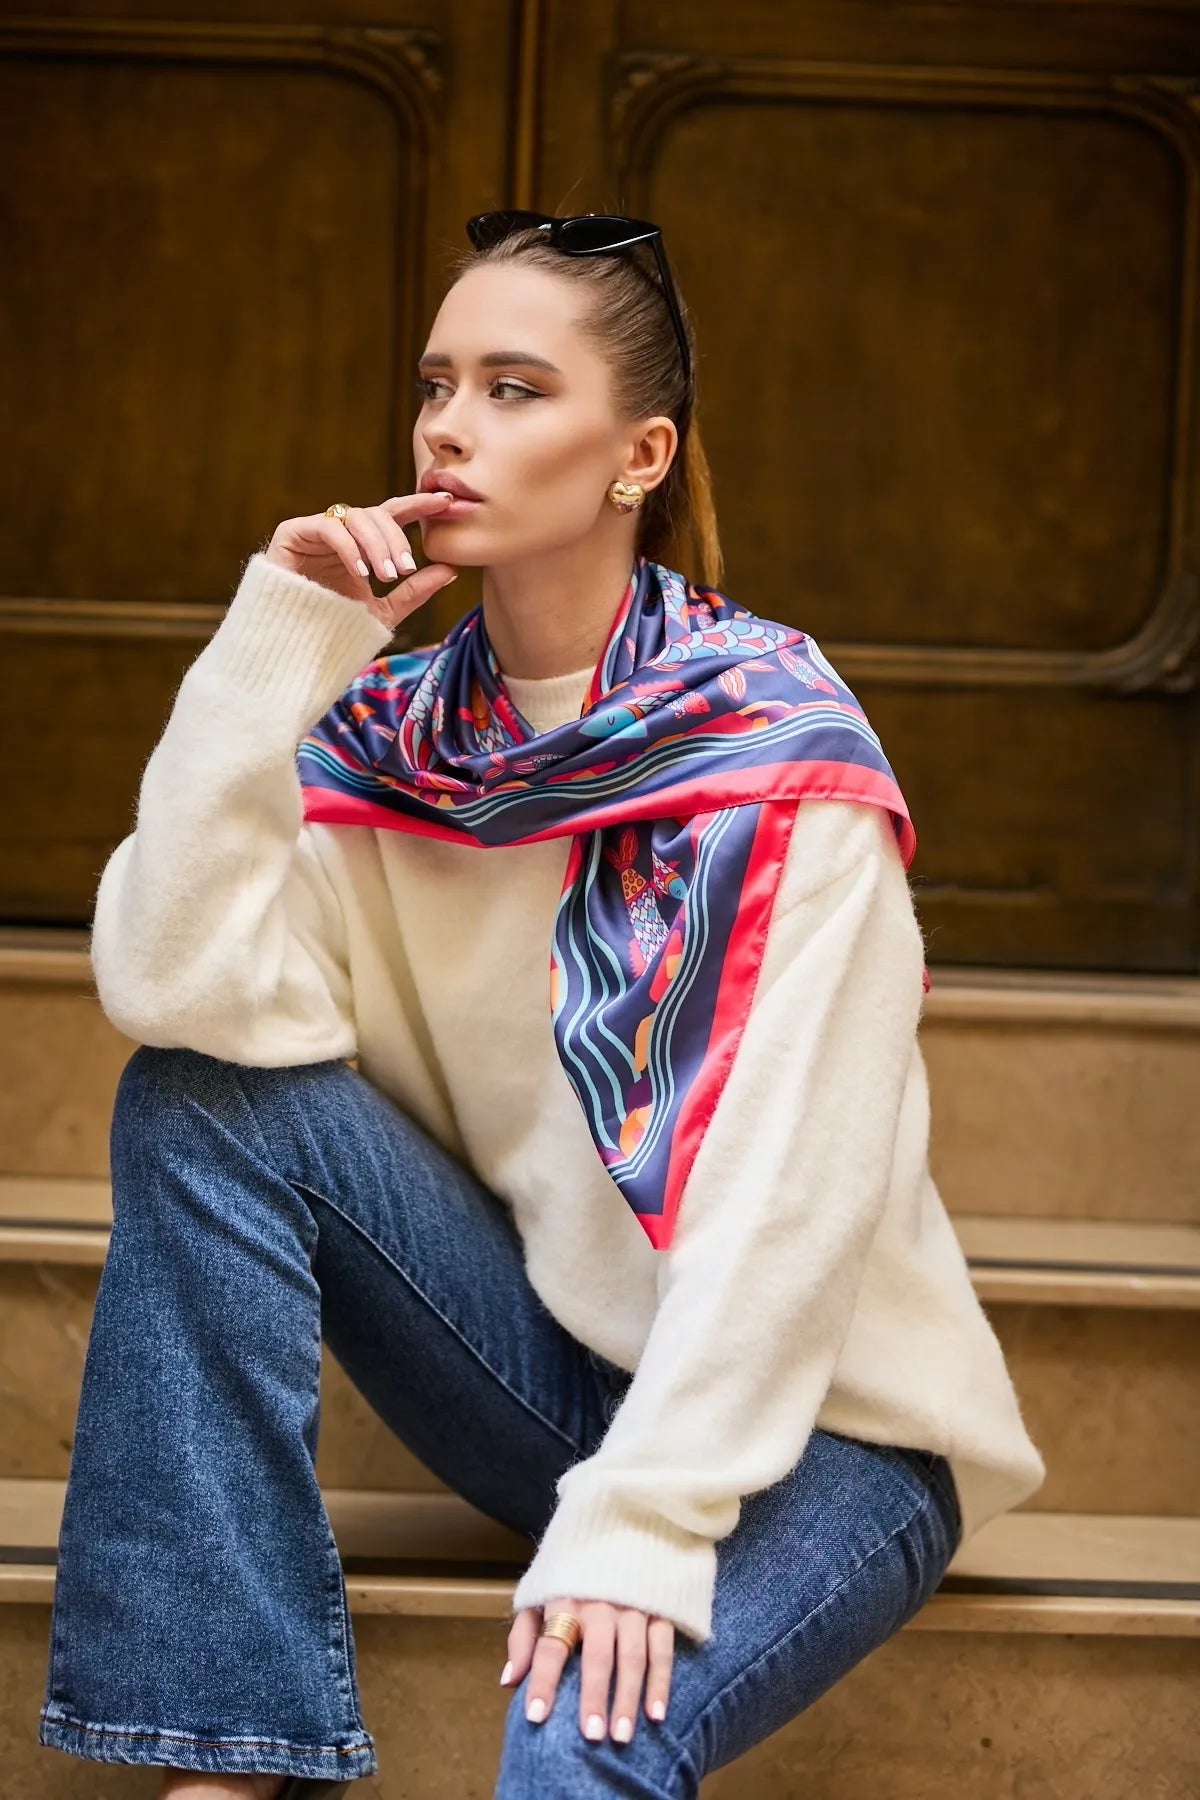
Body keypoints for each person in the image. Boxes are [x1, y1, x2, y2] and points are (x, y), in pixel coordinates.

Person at [37, 210, 1045, 1800]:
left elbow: (790, 1203)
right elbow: (180, 990)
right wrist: (274, 644)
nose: (449, 427)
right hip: (551, 1380)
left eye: (514, 389)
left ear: (640, 455)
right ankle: (225, 1756)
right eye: (437, 385)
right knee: (197, 1097)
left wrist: (643, 1520)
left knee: (582, 1726)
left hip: (831, 1435)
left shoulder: (778, 751)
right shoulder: (391, 739)